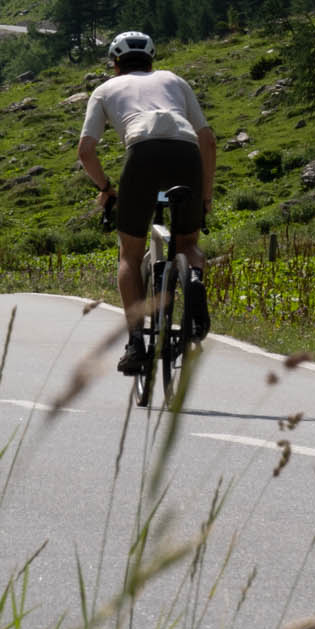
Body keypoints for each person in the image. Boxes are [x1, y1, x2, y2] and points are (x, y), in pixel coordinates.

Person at [76, 29, 216, 374]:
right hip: (186, 153)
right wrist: (205, 196)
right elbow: (208, 140)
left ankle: (137, 343)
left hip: (142, 154)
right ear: (152, 59)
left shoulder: (105, 89)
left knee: (131, 253)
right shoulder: (174, 81)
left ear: (114, 64)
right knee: (187, 244)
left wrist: (107, 188)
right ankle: (194, 278)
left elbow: (86, 151)